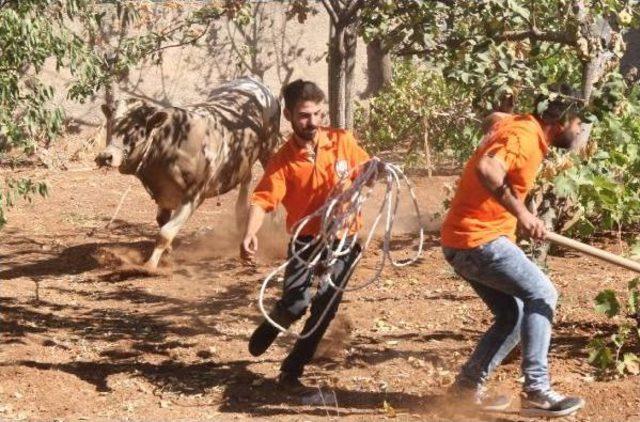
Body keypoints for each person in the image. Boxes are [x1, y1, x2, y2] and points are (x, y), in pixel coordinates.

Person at [440, 85, 586, 418]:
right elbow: (488, 169)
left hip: (461, 240)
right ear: (560, 121)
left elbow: (494, 119)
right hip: (479, 241)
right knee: (543, 293)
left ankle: (464, 392)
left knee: (513, 315)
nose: (578, 132)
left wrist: (496, 119)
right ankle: (536, 391)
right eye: (577, 123)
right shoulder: (524, 136)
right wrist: (522, 214)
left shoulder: (519, 125)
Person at [240, 79, 372, 394]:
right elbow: (263, 200)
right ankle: (275, 321)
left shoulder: (343, 142)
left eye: (316, 115)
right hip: (306, 240)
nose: (311, 122)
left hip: (343, 239)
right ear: (288, 115)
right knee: (298, 301)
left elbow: (367, 172)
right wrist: (249, 234)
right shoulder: (283, 159)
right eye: (303, 116)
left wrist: (373, 175)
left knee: (325, 308)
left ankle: (291, 370)